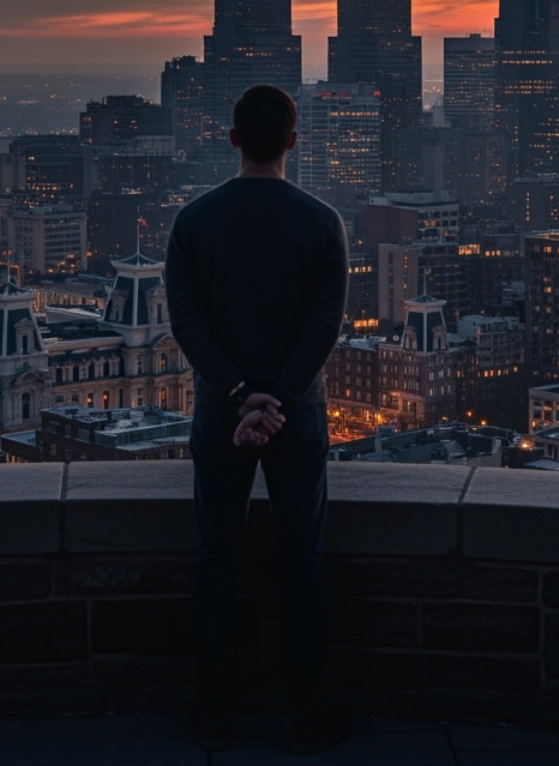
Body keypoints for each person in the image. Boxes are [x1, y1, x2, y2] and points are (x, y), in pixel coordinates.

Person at [164, 84, 350, 756]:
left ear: (234, 138)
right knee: (303, 562)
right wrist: (279, 401)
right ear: (293, 143)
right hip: (296, 420)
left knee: (216, 560)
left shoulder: (194, 221)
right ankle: (309, 715)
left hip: (220, 416)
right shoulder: (322, 221)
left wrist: (241, 395)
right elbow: (324, 325)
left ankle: (213, 711)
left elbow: (186, 322)